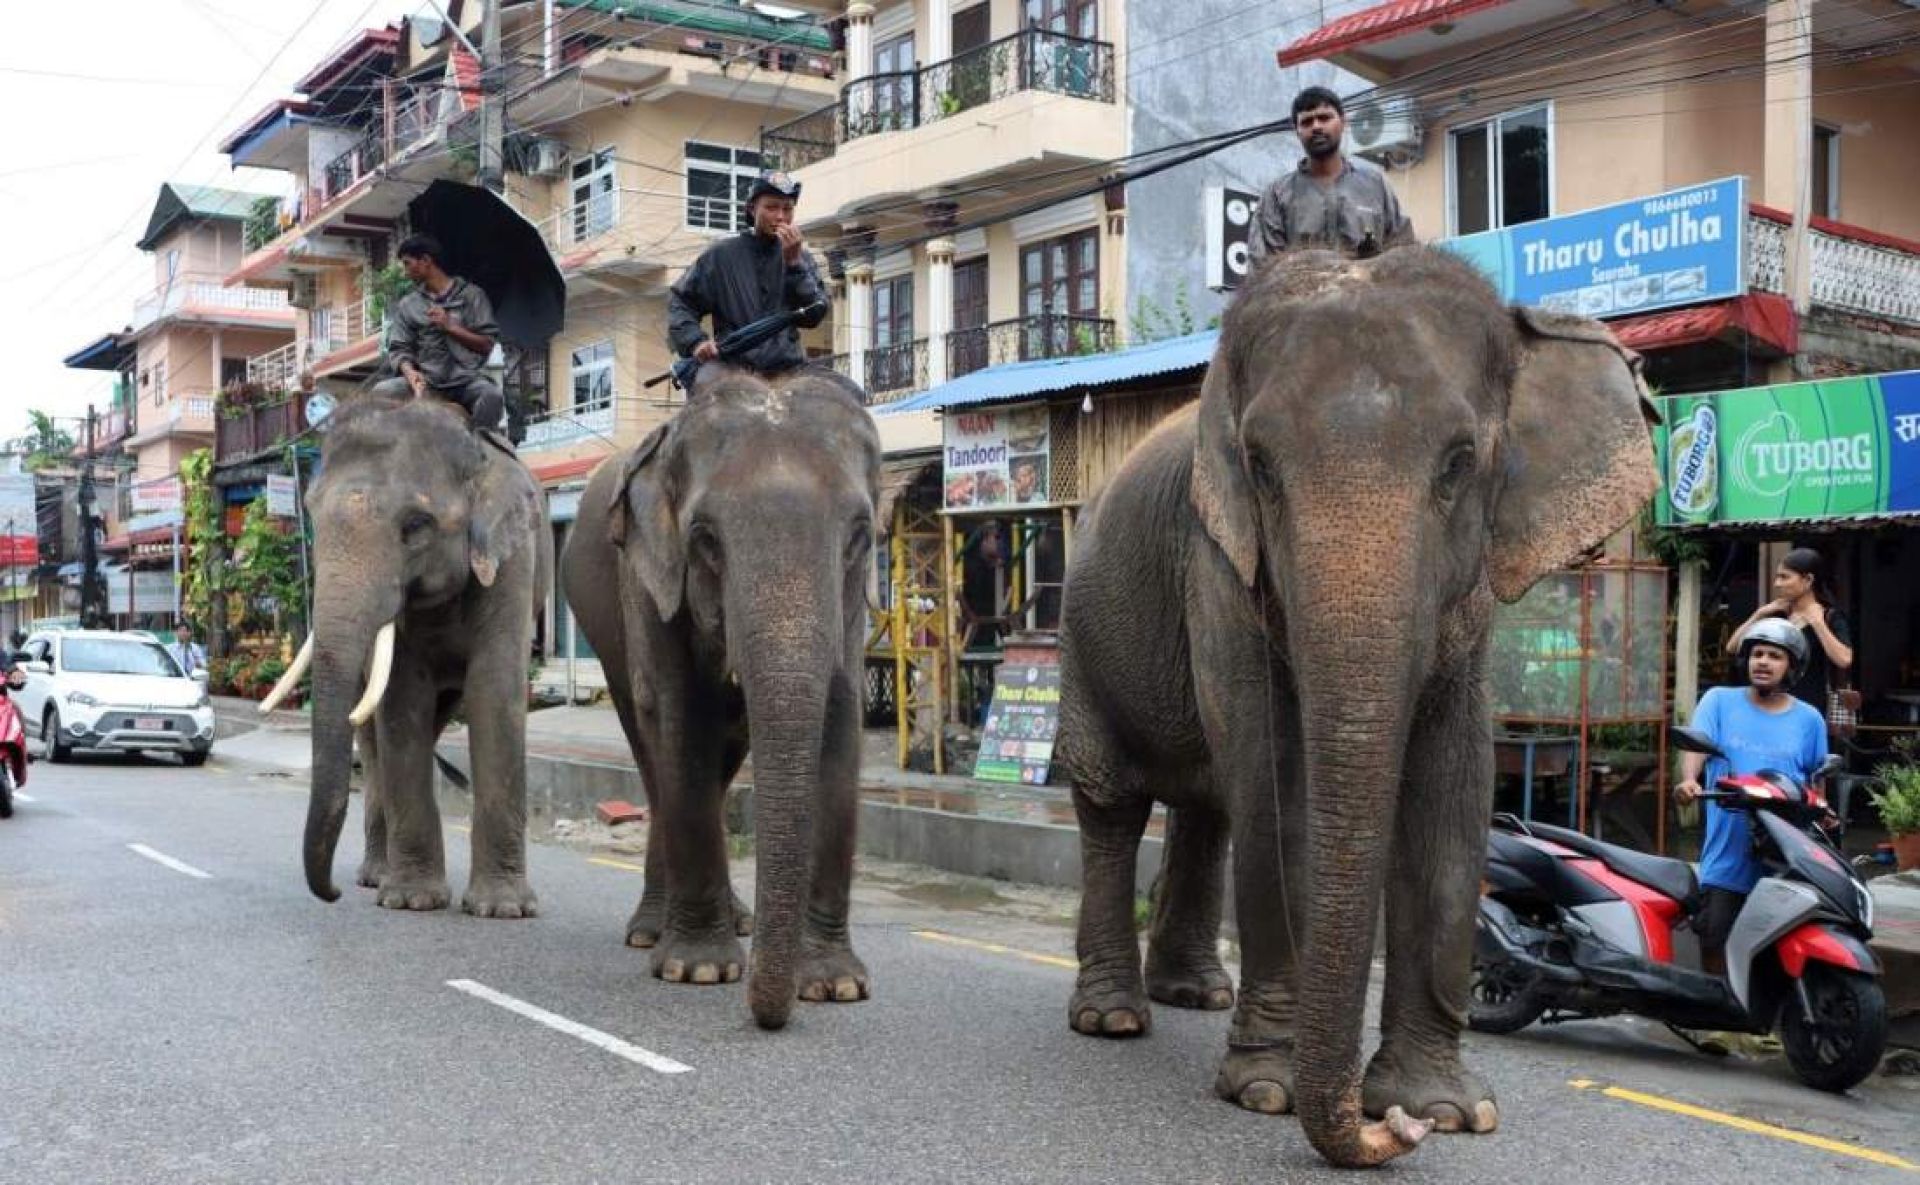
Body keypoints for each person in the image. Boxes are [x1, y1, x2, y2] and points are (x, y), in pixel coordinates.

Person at [1676, 618, 1828, 969]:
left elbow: (1817, 777)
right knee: (1715, 938)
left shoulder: (1809, 719)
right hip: (1728, 851)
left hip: (1785, 854)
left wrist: (1823, 808)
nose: (1762, 661)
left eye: (1774, 656)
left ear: (1791, 667)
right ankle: (1714, 1017)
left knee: (1782, 950)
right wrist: (1689, 780)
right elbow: (1698, 747)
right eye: (1757, 653)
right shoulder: (1718, 701)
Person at [666, 171, 828, 381]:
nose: (781, 216)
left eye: (787, 209)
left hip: (789, 369)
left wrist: (794, 265)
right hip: (732, 368)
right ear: (752, 209)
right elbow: (680, 301)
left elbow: (814, 314)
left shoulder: (802, 257)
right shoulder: (720, 255)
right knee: (706, 390)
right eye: (771, 207)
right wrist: (695, 341)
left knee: (850, 393)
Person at [1247, 86, 1414, 267]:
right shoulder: (1277, 194)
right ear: (1297, 131)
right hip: (1302, 294)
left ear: (1343, 123)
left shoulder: (1376, 186)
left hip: (1367, 294)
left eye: (1324, 118)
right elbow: (1264, 268)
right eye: (1307, 122)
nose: (1316, 126)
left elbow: (1403, 253)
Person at [371, 234, 504, 431]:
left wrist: (451, 326)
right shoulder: (409, 304)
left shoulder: (473, 296)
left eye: (408, 264)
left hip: (466, 381)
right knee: (380, 392)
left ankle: (479, 448)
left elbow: (486, 344)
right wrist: (410, 374)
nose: (406, 272)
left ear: (426, 261)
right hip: (427, 381)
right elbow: (399, 348)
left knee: (492, 396)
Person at [1724, 546, 1853, 713]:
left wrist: (1818, 623)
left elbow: (1844, 659)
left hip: (1807, 706)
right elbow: (1732, 647)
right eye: (1777, 577)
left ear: (1808, 580)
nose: (1777, 584)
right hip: (1769, 703)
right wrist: (1759, 614)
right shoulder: (1778, 615)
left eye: (1784, 577)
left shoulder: (1830, 616)